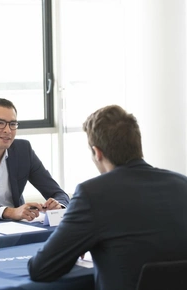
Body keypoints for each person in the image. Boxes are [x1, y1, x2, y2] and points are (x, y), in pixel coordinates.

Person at [28, 105, 187, 290]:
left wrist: (77, 247)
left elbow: (41, 268)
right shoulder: (182, 184)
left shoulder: (92, 194)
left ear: (97, 152)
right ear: (137, 145)